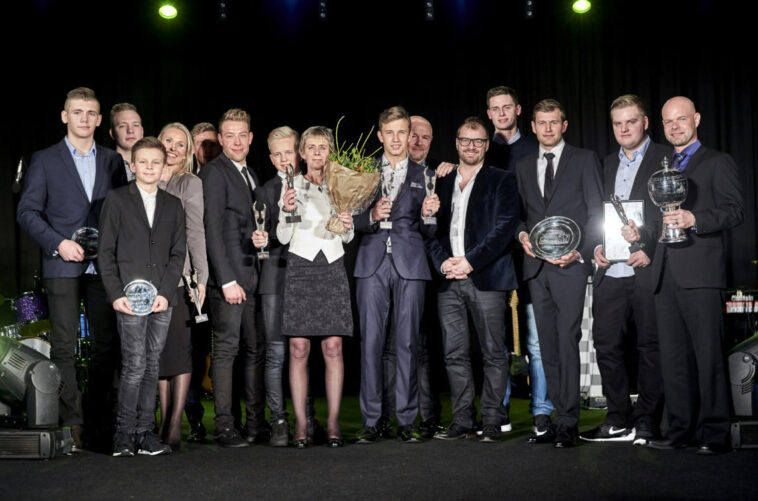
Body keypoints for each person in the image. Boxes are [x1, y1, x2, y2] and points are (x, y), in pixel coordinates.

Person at [17, 87, 126, 452]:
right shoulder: (45, 159)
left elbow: (123, 212)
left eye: (90, 112)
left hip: (103, 265)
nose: (84, 118)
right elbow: (27, 212)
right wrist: (58, 242)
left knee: (106, 345)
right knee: (64, 346)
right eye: (77, 112)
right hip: (61, 263)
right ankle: (73, 422)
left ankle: (99, 420)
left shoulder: (113, 161)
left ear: (99, 119)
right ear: (65, 116)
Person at [642, 97, 743, 455]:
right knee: (673, 360)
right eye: (668, 122)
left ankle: (714, 434)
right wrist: (640, 234)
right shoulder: (660, 167)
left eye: (681, 119)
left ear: (696, 119)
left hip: (701, 274)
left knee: (708, 357)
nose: (674, 127)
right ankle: (679, 431)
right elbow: (656, 221)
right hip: (665, 272)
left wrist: (694, 219)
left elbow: (734, 211)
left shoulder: (717, 161)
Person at [516, 99, 604, 448]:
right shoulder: (524, 166)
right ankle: (553, 417)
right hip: (537, 268)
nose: (548, 128)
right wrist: (522, 235)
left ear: (564, 125)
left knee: (567, 341)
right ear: (533, 127)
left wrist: (580, 252)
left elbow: (596, 213)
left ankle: (568, 421)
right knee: (547, 346)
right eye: (542, 123)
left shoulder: (584, 159)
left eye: (554, 122)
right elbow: (519, 215)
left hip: (570, 267)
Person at [426, 116, 519, 443]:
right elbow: (430, 231)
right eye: (465, 140)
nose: (471, 146)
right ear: (456, 143)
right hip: (448, 279)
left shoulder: (502, 180)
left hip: (487, 277)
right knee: (454, 354)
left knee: (493, 353)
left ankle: (492, 421)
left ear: (486, 146)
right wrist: (443, 264)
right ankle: (463, 420)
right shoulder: (441, 181)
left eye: (478, 141)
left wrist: (470, 262)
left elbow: (504, 229)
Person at [580, 95, 666, 444]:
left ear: (645, 122)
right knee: (606, 346)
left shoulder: (666, 158)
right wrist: (595, 246)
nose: (624, 129)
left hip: (647, 269)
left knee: (650, 347)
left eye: (631, 121)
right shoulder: (603, 165)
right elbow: (592, 213)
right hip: (610, 272)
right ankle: (618, 418)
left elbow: (671, 211)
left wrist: (650, 249)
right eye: (618, 123)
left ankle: (647, 419)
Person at [353, 106, 440, 444]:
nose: (396, 138)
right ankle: (372, 421)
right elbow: (351, 220)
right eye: (389, 132)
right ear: (380, 136)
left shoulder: (425, 174)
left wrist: (430, 215)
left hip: (410, 264)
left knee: (407, 343)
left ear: (409, 135)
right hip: (371, 262)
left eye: (402, 132)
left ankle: (406, 420)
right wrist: (370, 216)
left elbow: (429, 232)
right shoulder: (362, 171)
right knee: (371, 344)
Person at [98, 136, 186, 456]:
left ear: (164, 167)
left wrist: (165, 292)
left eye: (156, 163)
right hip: (129, 298)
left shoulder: (173, 204)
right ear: (132, 166)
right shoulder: (117, 199)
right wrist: (115, 294)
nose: (150, 167)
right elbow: (105, 251)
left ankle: (145, 433)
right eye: (143, 162)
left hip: (161, 299)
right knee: (134, 364)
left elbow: (178, 253)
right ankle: (123, 434)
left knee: (152, 365)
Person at [275, 126, 354, 448]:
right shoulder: (290, 185)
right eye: (311, 147)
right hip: (300, 267)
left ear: (330, 152)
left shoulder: (341, 184)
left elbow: (347, 237)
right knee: (298, 349)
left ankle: (333, 423)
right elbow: (283, 236)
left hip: (332, 266)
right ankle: (302, 425)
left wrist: (347, 223)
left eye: (323, 147)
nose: (318, 152)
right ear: (302, 153)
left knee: (333, 347)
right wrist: (287, 209)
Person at [198, 108, 265, 447]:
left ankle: (254, 423)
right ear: (220, 140)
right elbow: (211, 228)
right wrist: (225, 280)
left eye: (243, 135)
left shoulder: (250, 173)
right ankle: (224, 427)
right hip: (229, 282)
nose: (237, 142)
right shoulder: (214, 173)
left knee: (254, 351)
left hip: (252, 277)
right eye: (230, 136)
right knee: (225, 351)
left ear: (250, 138)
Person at [380, 114, 444, 439]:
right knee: (392, 344)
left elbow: (438, 227)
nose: (417, 142)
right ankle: (390, 417)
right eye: (412, 135)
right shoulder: (381, 172)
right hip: (391, 267)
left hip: (432, 272)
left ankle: (428, 416)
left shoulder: (438, 175)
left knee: (423, 346)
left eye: (424, 137)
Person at [155, 122, 208, 450]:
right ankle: (163, 420)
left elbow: (195, 231)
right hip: (148, 280)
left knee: (179, 352)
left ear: (187, 152)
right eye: (168, 141)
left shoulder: (189, 183)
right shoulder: (142, 178)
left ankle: (175, 423)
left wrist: (200, 276)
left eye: (180, 144)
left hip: (178, 278)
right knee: (159, 355)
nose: (172, 148)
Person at [109, 103, 144, 182]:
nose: (130, 130)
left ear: (142, 131)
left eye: (135, 125)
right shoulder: (103, 168)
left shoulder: (156, 166)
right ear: (112, 133)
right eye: (122, 126)